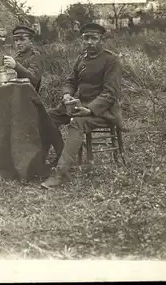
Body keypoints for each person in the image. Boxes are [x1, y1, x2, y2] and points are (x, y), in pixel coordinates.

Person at [42, 22, 123, 189]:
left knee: (77, 123)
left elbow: (110, 93)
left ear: (101, 40)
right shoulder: (81, 58)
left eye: (94, 38)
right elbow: (70, 81)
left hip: (103, 111)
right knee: (48, 116)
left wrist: (90, 109)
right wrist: (67, 94)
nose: (89, 42)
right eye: (86, 38)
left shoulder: (111, 60)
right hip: (80, 105)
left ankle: (61, 173)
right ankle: (58, 157)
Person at [3, 25, 44, 92]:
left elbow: (34, 79)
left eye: (22, 39)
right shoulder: (16, 57)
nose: (18, 43)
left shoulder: (35, 56)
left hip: (29, 98)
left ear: (31, 41)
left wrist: (16, 66)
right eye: (16, 40)